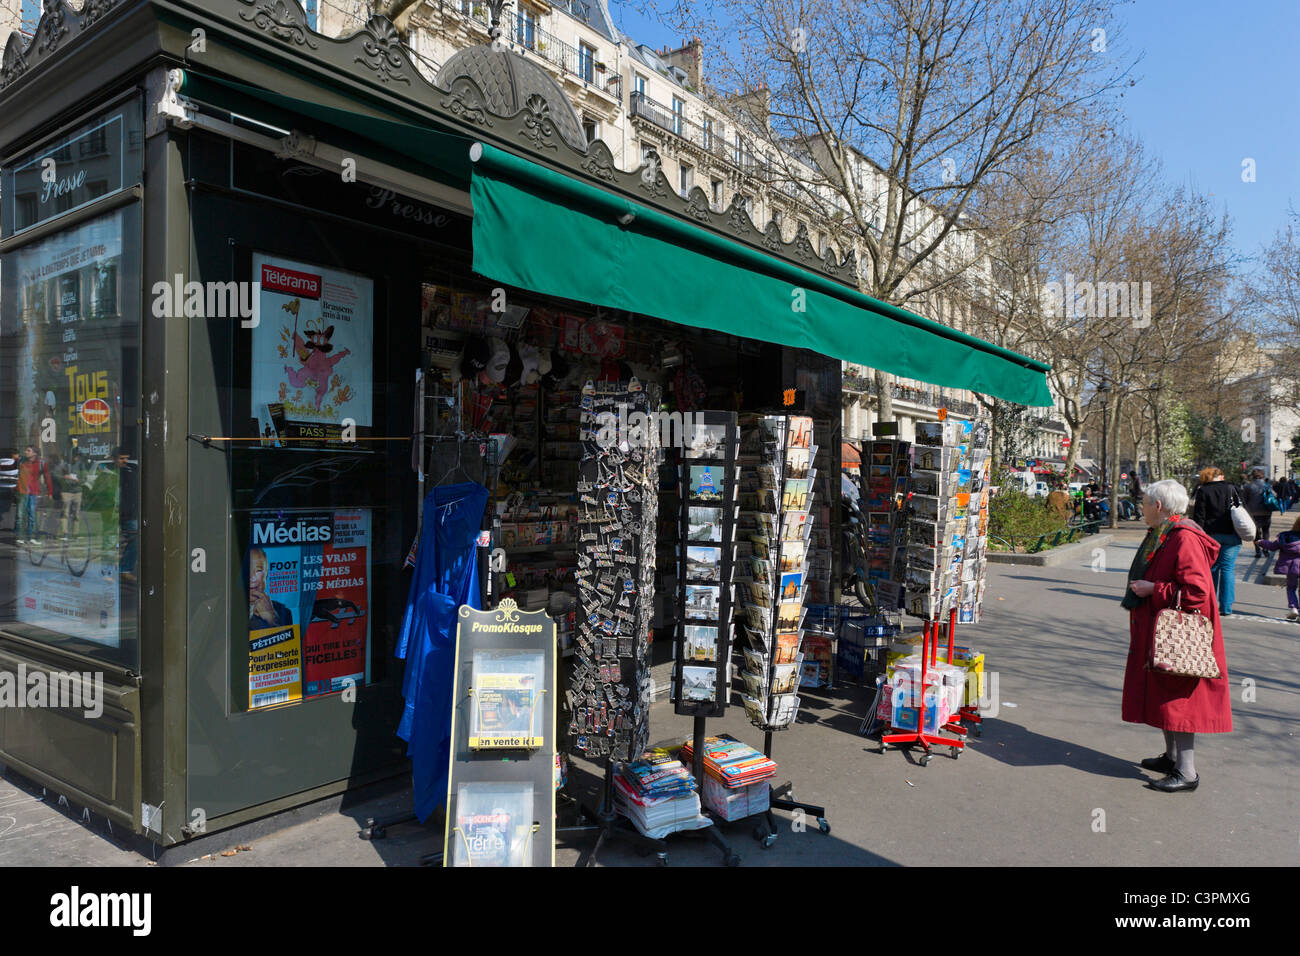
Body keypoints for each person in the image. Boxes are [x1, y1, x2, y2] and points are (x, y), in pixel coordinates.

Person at [1122, 478, 1233, 792]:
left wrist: (1153, 589)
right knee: (1165, 695)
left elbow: (1197, 592)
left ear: (1158, 506)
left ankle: (1187, 773)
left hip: (1178, 636)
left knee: (1179, 701)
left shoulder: (1182, 538)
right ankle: (1171, 758)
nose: (1141, 508)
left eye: (1144, 503)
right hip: (1164, 632)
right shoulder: (1165, 534)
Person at [1188, 466, 1244, 615]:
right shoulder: (1232, 488)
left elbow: (1200, 516)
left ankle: (1209, 603)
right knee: (1227, 569)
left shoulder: (1203, 491)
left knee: (1212, 569)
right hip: (1232, 534)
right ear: (1219, 476)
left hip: (1211, 535)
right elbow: (1242, 509)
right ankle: (1226, 607)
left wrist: (1197, 537)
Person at [1257, 516, 1300, 621]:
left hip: (1290, 568)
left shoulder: (1286, 537)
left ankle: (1294, 607)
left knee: (1291, 587)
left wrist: (1261, 542)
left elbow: (1272, 546)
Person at [15, 445, 54, 544]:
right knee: (20, 515)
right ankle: (20, 537)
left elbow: (47, 478)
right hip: (22, 492)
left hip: (33, 493)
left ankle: (31, 537)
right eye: (26, 450)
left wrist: (50, 492)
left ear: (34, 453)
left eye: (28, 451)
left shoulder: (41, 463)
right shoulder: (21, 461)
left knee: (32, 515)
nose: (25, 452)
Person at [248, 547, 294, 629]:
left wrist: (272, 620)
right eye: (247, 570)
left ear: (266, 574)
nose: (253, 578)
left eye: (258, 570)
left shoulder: (283, 613)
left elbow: (288, 640)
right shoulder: (224, 607)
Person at [1241, 468, 1273, 557]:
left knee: (1256, 532)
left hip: (1253, 513)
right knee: (1266, 531)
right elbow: (1274, 496)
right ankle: (1266, 549)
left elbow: (1244, 500)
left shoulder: (1248, 486)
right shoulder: (1267, 485)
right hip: (1266, 511)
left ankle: (1258, 550)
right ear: (1262, 475)